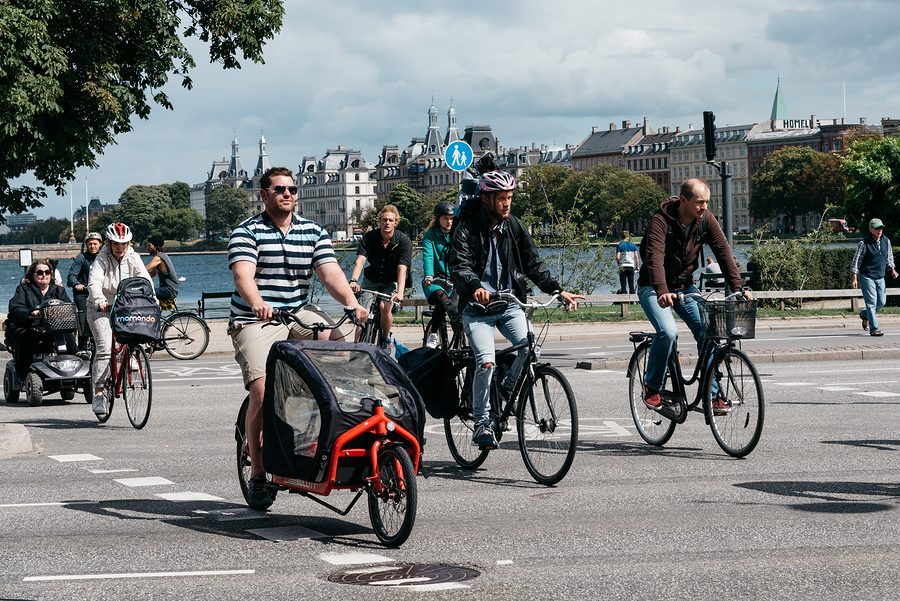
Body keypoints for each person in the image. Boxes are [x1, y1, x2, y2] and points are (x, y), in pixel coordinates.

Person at [228, 166, 368, 511]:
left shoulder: (313, 231)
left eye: (291, 188)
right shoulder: (246, 232)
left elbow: (330, 273)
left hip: (298, 312)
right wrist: (258, 302)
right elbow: (243, 275)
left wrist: (351, 304)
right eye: (279, 189)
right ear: (264, 195)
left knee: (341, 349)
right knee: (261, 389)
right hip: (255, 318)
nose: (287, 194)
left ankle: (329, 439)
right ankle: (259, 474)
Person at [449, 171, 584, 448]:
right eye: (501, 198)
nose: (507, 203)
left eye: (510, 198)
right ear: (486, 199)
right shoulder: (468, 227)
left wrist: (558, 290)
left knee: (529, 348)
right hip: (477, 309)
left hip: (509, 304)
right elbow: (459, 264)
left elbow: (534, 264)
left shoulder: (514, 226)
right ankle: (481, 423)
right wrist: (475, 285)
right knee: (486, 361)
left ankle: (507, 388)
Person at [636, 180, 753, 413]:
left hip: (685, 285)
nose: (704, 207)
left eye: (707, 202)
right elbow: (654, 258)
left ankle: (714, 395)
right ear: (683, 201)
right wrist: (661, 291)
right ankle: (652, 386)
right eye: (700, 203)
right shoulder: (660, 221)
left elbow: (724, 252)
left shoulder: (705, 220)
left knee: (708, 331)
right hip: (653, 287)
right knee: (668, 331)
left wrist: (739, 287)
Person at [87, 223, 153, 415]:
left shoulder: (133, 257)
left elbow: (145, 281)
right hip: (100, 308)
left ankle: (130, 354)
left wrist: (153, 301)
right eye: (116, 243)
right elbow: (94, 282)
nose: (120, 247)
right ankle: (98, 394)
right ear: (108, 243)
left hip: (124, 306)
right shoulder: (101, 259)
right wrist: (100, 301)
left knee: (137, 333)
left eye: (124, 244)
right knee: (104, 347)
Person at [348, 204, 412, 348]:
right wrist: (353, 280)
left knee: (385, 307)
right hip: (372, 279)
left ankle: (384, 338)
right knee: (363, 314)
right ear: (380, 221)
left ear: (395, 222)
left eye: (390, 220)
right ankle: (356, 348)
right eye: (384, 220)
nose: (387, 223)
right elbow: (360, 260)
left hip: (391, 281)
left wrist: (400, 292)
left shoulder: (403, 241)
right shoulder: (369, 237)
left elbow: (402, 269)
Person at [7, 260, 80, 381]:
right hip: (29, 327)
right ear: (33, 275)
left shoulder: (58, 290)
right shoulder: (23, 289)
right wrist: (30, 314)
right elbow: (15, 308)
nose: (44, 275)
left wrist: (58, 312)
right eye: (40, 272)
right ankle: (24, 374)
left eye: (47, 272)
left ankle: (74, 363)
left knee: (68, 335)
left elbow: (69, 306)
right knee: (24, 338)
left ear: (51, 274)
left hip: (53, 328)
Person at [850, 218, 898, 337]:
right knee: (871, 303)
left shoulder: (886, 241)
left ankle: (864, 314)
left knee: (881, 302)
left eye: (881, 228)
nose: (880, 230)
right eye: (877, 228)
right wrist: (854, 278)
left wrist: (892, 269)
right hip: (867, 276)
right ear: (870, 229)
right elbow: (856, 261)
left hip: (880, 276)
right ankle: (874, 328)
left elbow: (889, 258)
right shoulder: (864, 243)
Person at [422, 201, 458, 348]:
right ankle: (434, 333)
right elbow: (428, 257)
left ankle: (458, 343)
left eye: (451, 218)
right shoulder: (430, 235)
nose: (449, 222)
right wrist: (429, 276)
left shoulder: (457, 233)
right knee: (443, 300)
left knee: (457, 311)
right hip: (435, 280)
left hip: (454, 280)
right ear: (438, 219)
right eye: (445, 218)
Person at [67, 232, 103, 350]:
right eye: (90, 244)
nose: (92, 246)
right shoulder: (81, 257)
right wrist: (76, 284)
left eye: (95, 244)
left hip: (100, 292)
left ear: (100, 245)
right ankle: (82, 347)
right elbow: (72, 275)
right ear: (86, 245)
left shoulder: (104, 258)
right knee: (84, 316)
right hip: (84, 293)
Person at [145, 235, 179, 303]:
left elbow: (144, 269)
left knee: (145, 294)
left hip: (168, 290)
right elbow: (153, 273)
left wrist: (132, 277)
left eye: (149, 245)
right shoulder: (163, 255)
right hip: (169, 290)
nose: (147, 248)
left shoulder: (158, 258)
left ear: (156, 246)